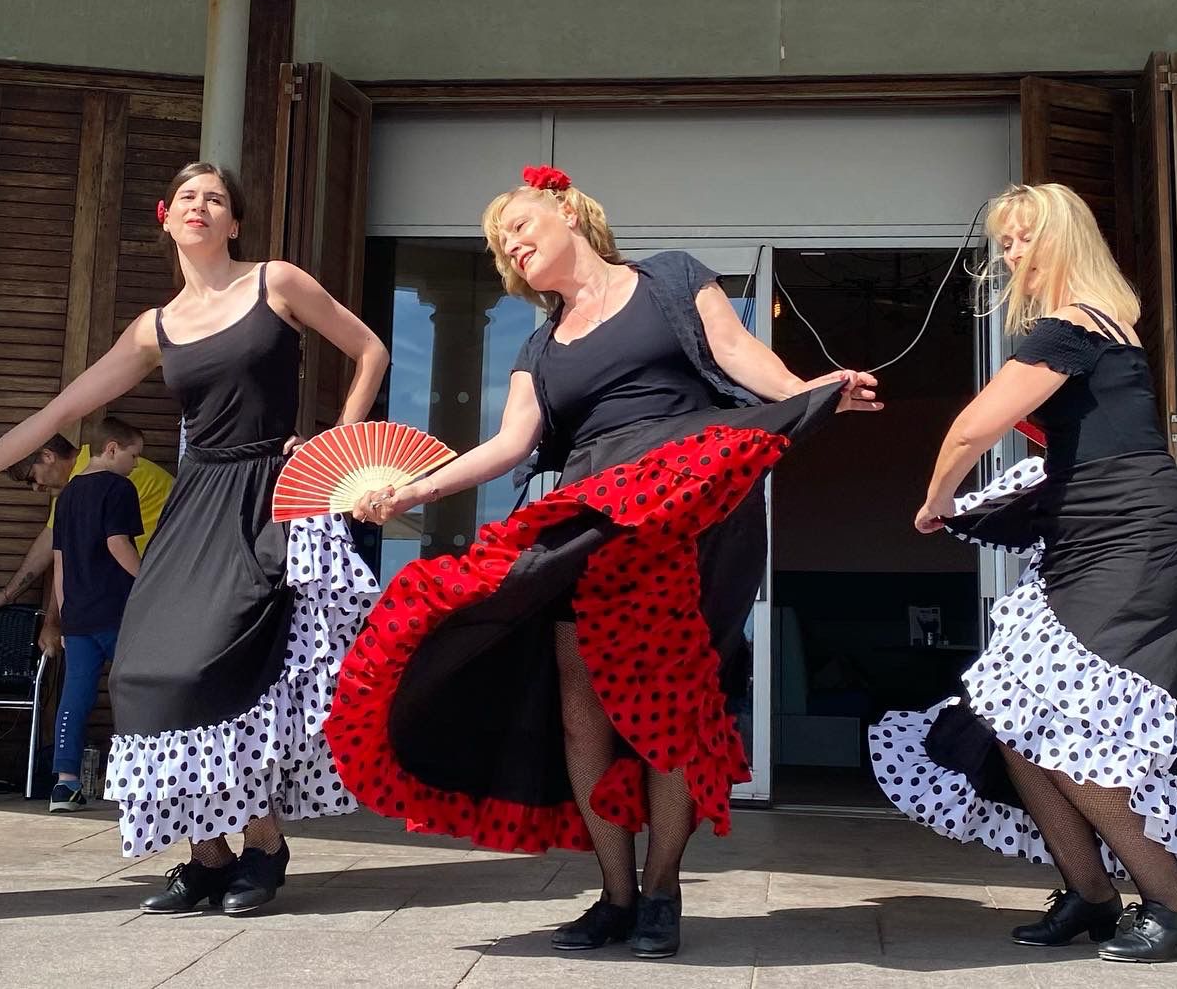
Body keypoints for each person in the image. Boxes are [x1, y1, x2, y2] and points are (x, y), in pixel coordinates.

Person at [328, 164, 880, 960]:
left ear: (566, 211)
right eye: (502, 244)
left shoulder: (670, 279)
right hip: (588, 522)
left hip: (671, 506)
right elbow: (510, 444)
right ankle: (616, 894)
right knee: (580, 711)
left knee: (668, 707)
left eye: (519, 225)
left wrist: (807, 393)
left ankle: (661, 891)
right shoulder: (539, 346)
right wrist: (415, 487)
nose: (512, 245)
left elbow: (737, 353)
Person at [0, 161, 389, 916]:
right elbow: (58, 413)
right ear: (167, 217)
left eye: (216, 198)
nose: (201, 205)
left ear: (234, 222)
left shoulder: (276, 282)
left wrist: (333, 447)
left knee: (231, 666)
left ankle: (264, 844)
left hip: (270, 493)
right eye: (188, 196)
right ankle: (207, 855)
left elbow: (371, 349)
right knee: (144, 672)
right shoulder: (154, 327)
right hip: (196, 500)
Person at [868, 183, 1177, 964]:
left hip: (1132, 538)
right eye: (1005, 240)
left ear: (1062, 240)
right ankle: (1090, 892)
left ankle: (1175, 903)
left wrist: (936, 500)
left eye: (1024, 237)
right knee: (1013, 713)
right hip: (1094, 532)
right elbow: (1082, 437)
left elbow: (971, 427)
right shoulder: (1098, 325)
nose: (1010, 253)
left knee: (1067, 727)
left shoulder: (1072, 325)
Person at [0, 430, 172, 660]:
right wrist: (7, 594)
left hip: (159, 581)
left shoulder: (93, 479)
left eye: (31, 477)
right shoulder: (84, 474)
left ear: (48, 456)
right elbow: (52, 543)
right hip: (150, 580)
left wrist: (55, 622)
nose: (35, 488)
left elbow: (69, 558)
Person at [46, 417, 145, 813]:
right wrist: (148, 581)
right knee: (135, 692)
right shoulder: (119, 488)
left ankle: (64, 784)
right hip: (118, 610)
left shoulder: (67, 495)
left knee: (75, 696)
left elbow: (59, 561)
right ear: (112, 449)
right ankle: (137, 779)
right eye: (133, 456)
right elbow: (118, 543)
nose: (135, 465)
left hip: (79, 615)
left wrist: (65, 613)